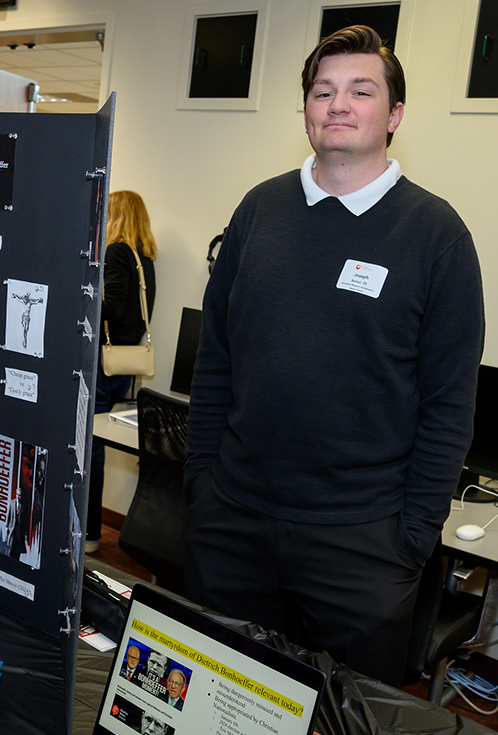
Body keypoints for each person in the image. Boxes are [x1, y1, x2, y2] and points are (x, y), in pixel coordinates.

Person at [184, 25, 484, 687]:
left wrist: (411, 539)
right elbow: (217, 362)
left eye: (360, 90)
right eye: (323, 91)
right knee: (217, 707)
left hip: (362, 547)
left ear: (394, 114)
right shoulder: (259, 210)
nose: (338, 104)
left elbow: (449, 403)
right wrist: (202, 484)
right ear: (307, 111)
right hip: (233, 523)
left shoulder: (437, 235)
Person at [86, 190, 157, 553]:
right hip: (126, 369)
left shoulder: (115, 252)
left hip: (103, 366)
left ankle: (89, 534)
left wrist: (85, 295)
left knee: (90, 447)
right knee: (100, 445)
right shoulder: (145, 261)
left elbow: (109, 306)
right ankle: (92, 533)